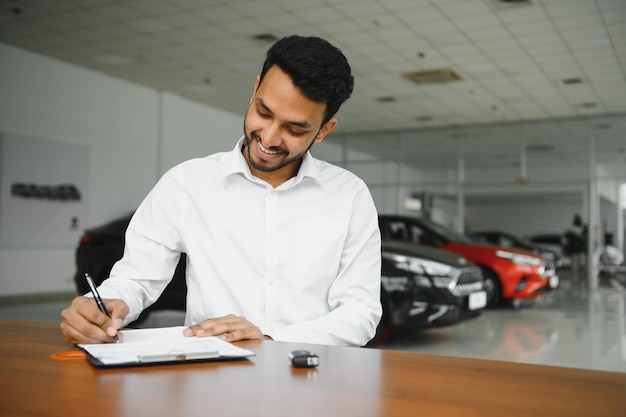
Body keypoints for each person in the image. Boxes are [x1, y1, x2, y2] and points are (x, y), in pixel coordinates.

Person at [60, 35, 382, 347]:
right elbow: (136, 278)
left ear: (324, 129)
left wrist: (271, 341)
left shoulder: (349, 196)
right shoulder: (187, 183)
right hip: (208, 377)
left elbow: (360, 312)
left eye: (295, 128)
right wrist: (101, 307)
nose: (269, 138)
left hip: (314, 381)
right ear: (255, 89)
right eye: (263, 112)